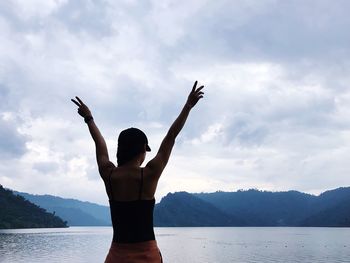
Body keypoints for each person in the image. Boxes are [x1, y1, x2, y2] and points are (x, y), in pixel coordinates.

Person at [71, 81, 204, 263]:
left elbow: (99, 145)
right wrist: (188, 106)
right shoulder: (149, 174)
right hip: (147, 256)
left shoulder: (109, 175)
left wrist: (89, 119)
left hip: (116, 256)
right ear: (142, 148)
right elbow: (171, 137)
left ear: (121, 150)